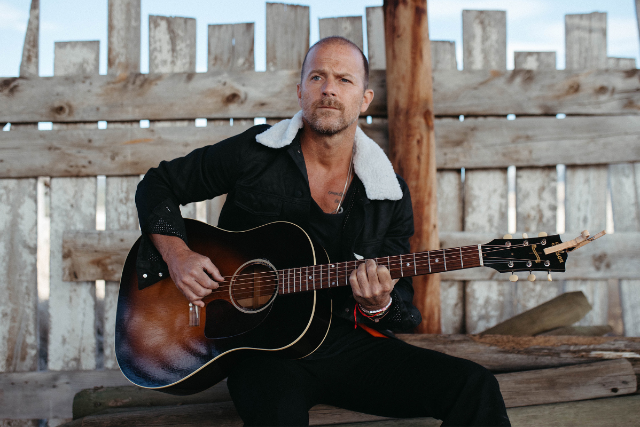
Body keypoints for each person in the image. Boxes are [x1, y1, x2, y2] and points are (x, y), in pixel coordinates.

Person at [135, 36, 511, 426]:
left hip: (345, 345)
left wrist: (377, 304)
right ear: (300, 91)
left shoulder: (388, 195)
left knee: (474, 386)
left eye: (344, 80)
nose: (329, 89)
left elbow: (400, 306)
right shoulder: (255, 153)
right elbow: (157, 185)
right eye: (317, 77)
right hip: (260, 353)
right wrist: (177, 254)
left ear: (364, 99)